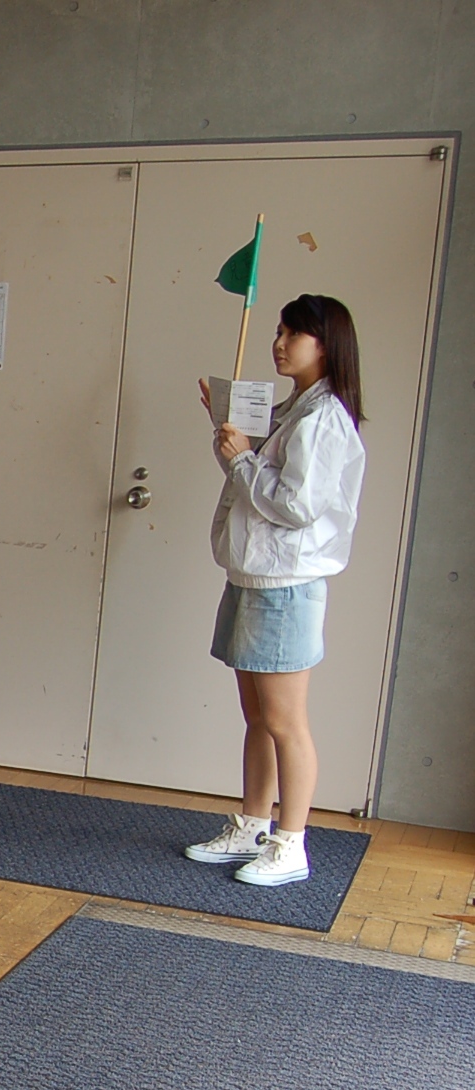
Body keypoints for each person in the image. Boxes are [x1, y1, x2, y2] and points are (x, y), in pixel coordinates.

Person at [185, 295, 366, 888]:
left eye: (295, 334)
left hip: (286, 586)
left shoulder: (323, 418)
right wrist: (232, 442)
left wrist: (241, 460)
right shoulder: (296, 410)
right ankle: (253, 824)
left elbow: (294, 506)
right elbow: (261, 492)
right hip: (255, 577)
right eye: (281, 330)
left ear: (327, 344)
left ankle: (291, 842)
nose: (280, 342)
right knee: (257, 716)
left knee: (286, 722)